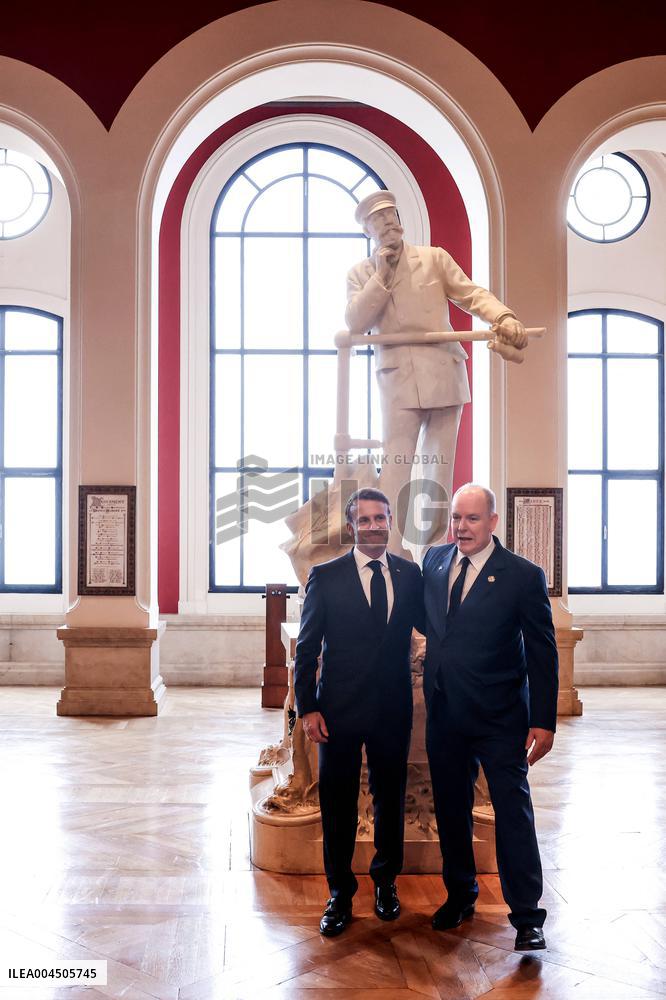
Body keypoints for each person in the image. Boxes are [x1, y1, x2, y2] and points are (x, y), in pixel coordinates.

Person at [346, 191, 527, 555]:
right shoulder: (361, 274)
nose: (388, 223)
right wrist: (381, 276)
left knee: (437, 474)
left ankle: (431, 559)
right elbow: (355, 322)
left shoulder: (433, 259)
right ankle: (392, 557)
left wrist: (503, 317)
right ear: (369, 230)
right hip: (397, 381)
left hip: (444, 373)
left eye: (391, 215)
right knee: (396, 472)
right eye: (378, 220)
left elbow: (471, 294)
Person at [421, 483, 558, 950]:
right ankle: (460, 895)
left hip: (501, 720)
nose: (462, 527)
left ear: (493, 522)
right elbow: (433, 625)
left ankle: (527, 917)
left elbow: (542, 650)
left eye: (472, 519)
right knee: (451, 812)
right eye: (457, 518)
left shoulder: (522, 575)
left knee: (513, 814)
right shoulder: (434, 563)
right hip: (445, 715)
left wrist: (544, 720)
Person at [294, 488, 424, 937]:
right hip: (338, 710)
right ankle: (340, 893)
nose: (374, 526)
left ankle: (386, 883)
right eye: (365, 520)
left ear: (391, 522)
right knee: (338, 803)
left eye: (381, 518)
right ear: (352, 526)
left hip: (392, 708)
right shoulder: (325, 576)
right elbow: (307, 648)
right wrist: (307, 709)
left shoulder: (410, 574)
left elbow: (435, 627)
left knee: (391, 801)